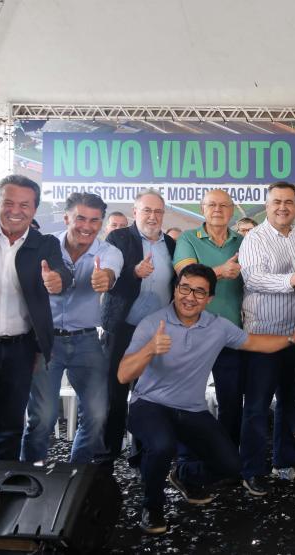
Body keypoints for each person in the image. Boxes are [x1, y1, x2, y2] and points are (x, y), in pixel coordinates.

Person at [119, 264, 295, 534]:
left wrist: (291, 338)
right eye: (185, 288)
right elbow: (124, 375)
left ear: (209, 299)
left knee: (231, 465)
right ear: (175, 289)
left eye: (199, 292)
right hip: (150, 405)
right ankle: (153, 506)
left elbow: (255, 342)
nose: (190, 297)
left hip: (192, 409)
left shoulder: (217, 326)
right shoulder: (153, 323)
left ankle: (185, 476)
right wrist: (150, 349)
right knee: (162, 446)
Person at [0, 175, 72, 468]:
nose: (15, 210)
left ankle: (0, 499)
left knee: (9, 432)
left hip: (20, 352)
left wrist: (57, 280)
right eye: (8, 202)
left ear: (34, 209)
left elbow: (62, 273)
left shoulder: (44, 244)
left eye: (24, 204)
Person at [21, 193, 123, 465]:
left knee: (97, 415)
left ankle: (76, 477)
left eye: (94, 220)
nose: (86, 226)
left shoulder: (108, 252)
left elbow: (111, 273)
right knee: (43, 417)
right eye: (80, 218)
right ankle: (31, 477)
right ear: (66, 218)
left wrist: (105, 278)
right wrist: (49, 281)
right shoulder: (45, 245)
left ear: (101, 223)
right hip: (45, 342)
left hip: (87, 341)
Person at [238, 182, 295, 495]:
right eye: (277, 202)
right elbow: (253, 278)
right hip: (263, 337)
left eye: (289, 202)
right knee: (256, 407)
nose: (283, 207)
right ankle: (252, 470)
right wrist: (291, 279)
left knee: (291, 406)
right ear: (267, 205)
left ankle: (284, 462)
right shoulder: (254, 238)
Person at [101, 189, 177, 464]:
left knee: (147, 397)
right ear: (135, 212)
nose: (153, 216)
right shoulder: (119, 238)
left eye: (158, 211)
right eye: (147, 210)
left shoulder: (170, 244)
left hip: (155, 333)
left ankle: (141, 455)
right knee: (115, 393)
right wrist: (133, 273)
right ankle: (107, 454)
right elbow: (111, 277)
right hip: (121, 328)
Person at [173, 190, 245, 450]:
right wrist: (220, 272)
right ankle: (186, 459)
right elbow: (187, 278)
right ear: (202, 209)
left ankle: (225, 458)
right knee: (188, 400)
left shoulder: (243, 241)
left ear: (232, 210)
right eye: (212, 205)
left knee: (232, 402)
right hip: (193, 333)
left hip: (230, 334)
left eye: (224, 205)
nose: (217, 209)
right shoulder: (188, 238)